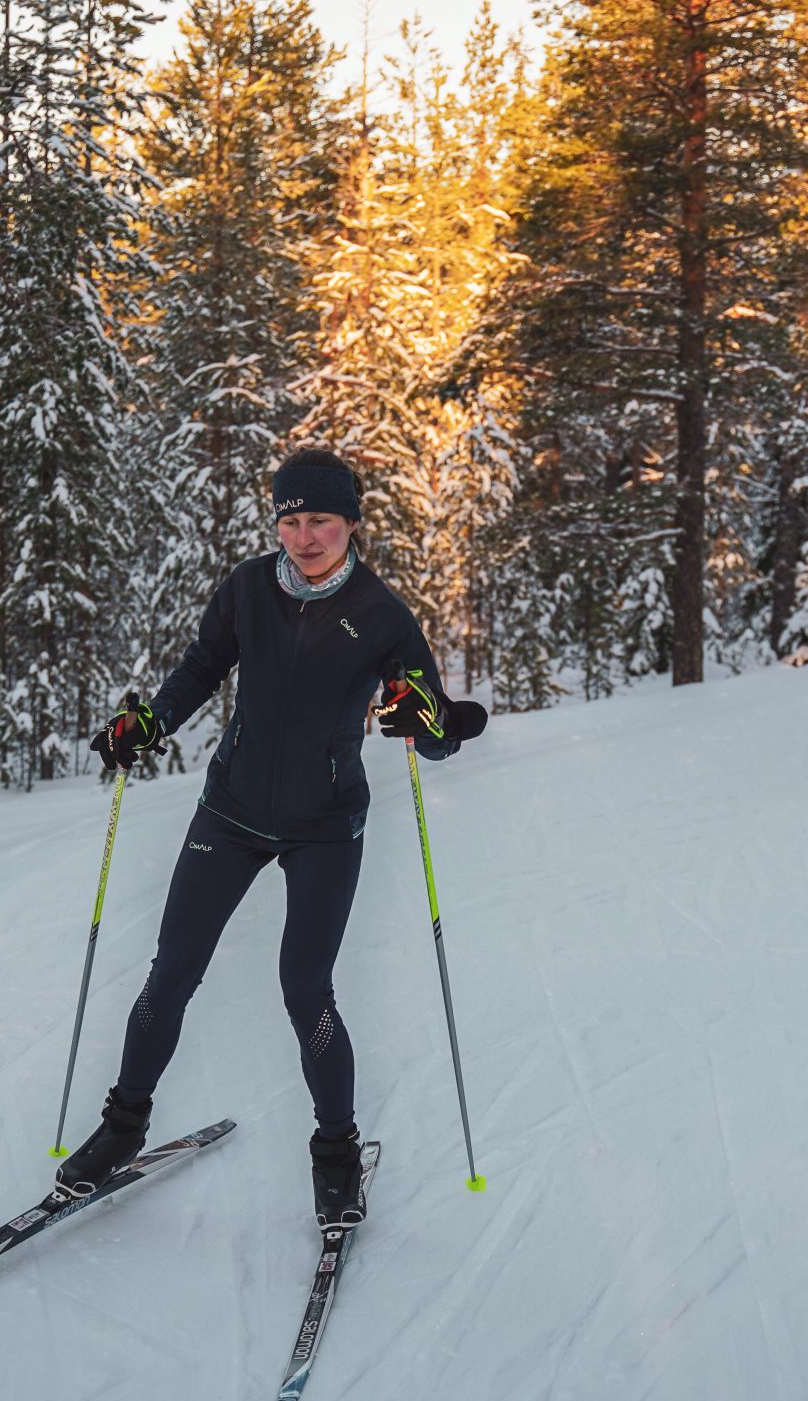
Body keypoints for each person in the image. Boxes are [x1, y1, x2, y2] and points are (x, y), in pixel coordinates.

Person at [57, 447, 489, 1227]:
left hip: (326, 825)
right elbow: (200, 668)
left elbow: (430, 727)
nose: (304, 535)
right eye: (290, 520)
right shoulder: (248, 589)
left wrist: (431, 722)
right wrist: (147, 723)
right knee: (171, 972)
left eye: (320, 518)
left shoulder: (383, 613)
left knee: (306, 990)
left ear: (351, 522)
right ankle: (123, 1128)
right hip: (231, 809)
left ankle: (337, 1153)